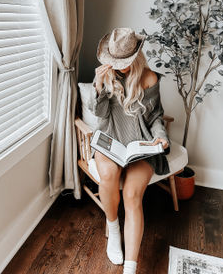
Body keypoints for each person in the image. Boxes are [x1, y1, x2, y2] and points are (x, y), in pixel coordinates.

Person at [87, 27, 171, 274]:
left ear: (136, 57)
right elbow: (100, 114)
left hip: (138, 143)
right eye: (114, 61)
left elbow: (155, 117)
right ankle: (113, 229)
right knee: (110, 175)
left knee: (133, 196)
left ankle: (131, 269)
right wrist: (99, 87)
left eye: (123, 62)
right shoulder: (106, 76)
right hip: (109, 138)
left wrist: (160, 137)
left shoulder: (149, 78)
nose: (117, 66)